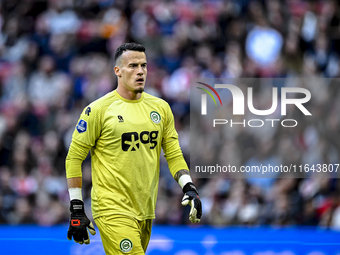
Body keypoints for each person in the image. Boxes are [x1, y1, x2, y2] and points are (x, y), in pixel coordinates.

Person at [65, 42, 202, 254]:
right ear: (117, 71)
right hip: (111, 208)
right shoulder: (98, 110)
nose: (140, 71)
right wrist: (76, 207)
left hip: (145, 209)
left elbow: (173, 153)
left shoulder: (161, 108)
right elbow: (74, 158)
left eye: (144, 66)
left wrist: (189, 187)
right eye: (133, 66)